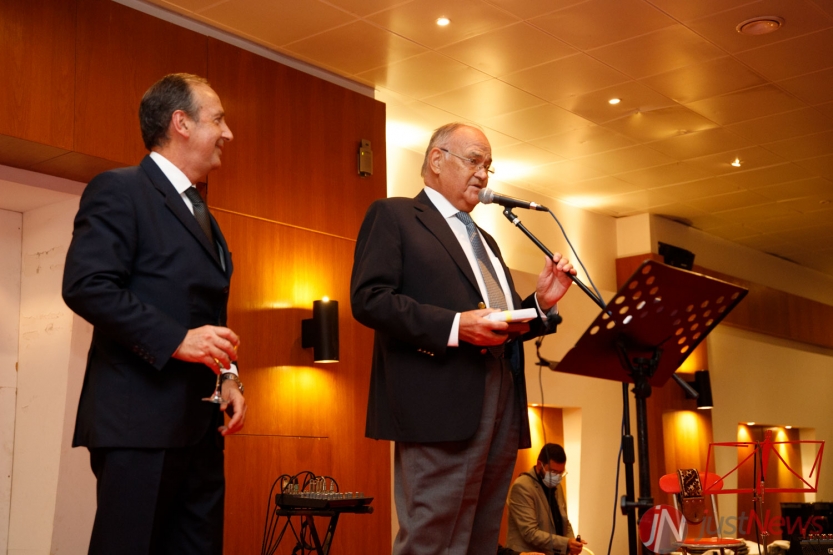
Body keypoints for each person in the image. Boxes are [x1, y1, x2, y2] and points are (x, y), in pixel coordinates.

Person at [350, 122, 576, 555]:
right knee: (433, 540)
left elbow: (499, 321)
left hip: (502, 400)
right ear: (437, 160)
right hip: (440, 406)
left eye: (488, 165)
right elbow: (369, 299)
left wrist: (540, 304)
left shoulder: (486, 240)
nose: (483, 174)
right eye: (474, 161)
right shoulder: (395, 215)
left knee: (481, 540)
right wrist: (455, 326)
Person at [62, 73, 246, 554]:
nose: (227, 133)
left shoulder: (205, 216)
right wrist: (176, 339)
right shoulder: (119, 189)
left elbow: (207, 313)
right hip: (139, 425)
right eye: (218, 120)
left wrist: (229, 376)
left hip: (201, 428)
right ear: (180, 123)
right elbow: (87, 286)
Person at [506, 444, 586, 555]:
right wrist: (566, 543)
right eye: (553, 472)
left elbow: (564, 521)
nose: (557, 477)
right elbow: (530, 533)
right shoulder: (522, 486)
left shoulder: (557, 487)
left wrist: (573, 545)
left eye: (560, 473)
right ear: (540, 465)